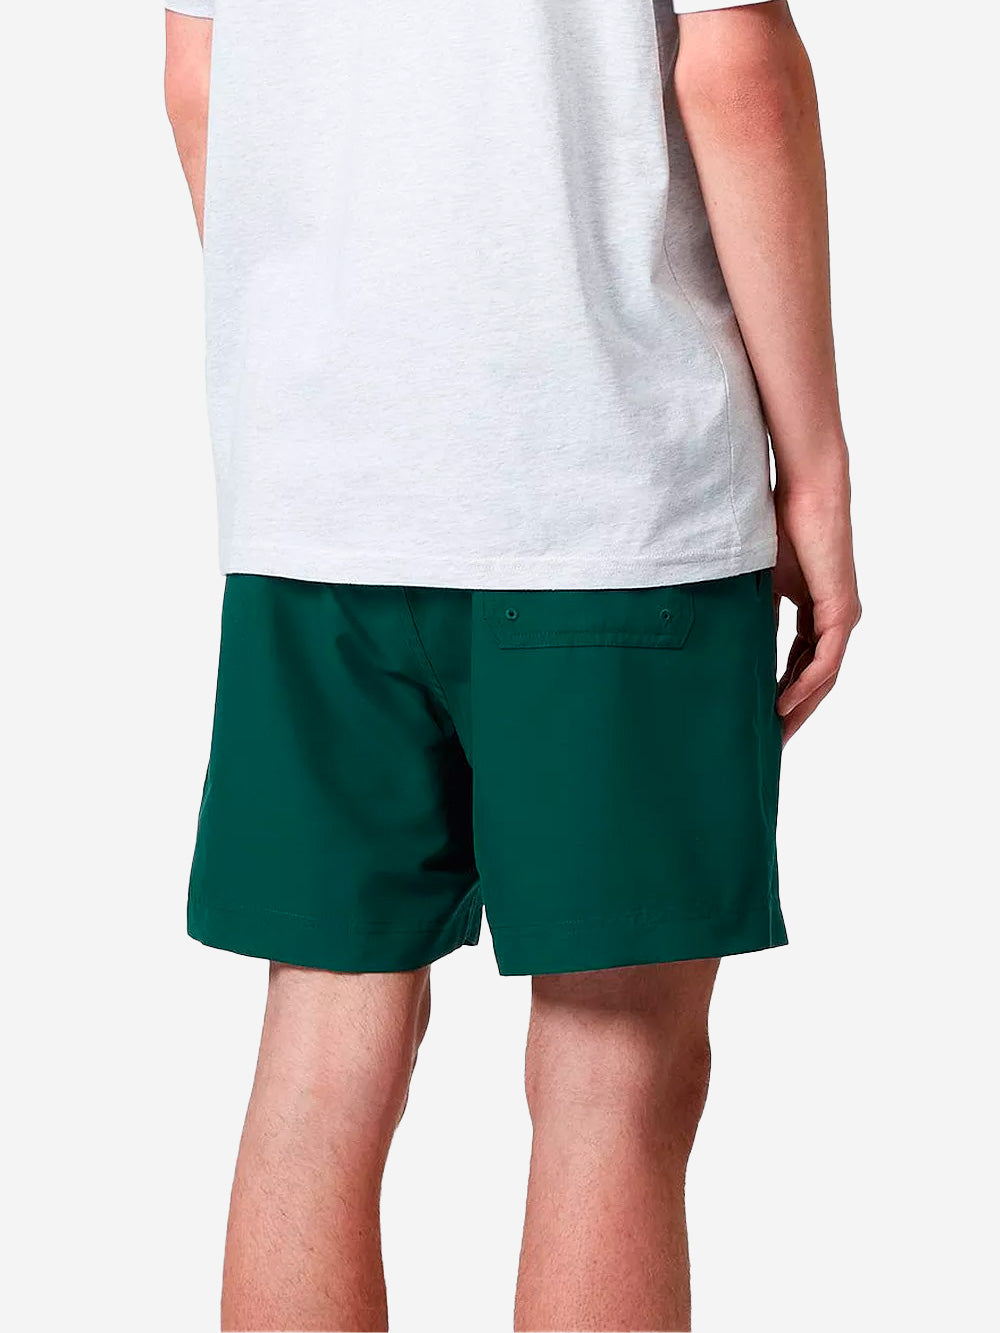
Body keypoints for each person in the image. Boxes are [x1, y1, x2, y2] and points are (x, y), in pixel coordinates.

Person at [164, 0, 860, 1327]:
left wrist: (335, 368)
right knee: (614, 1072)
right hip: (607, 489)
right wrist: (814, 471)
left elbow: (198, 76)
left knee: (319, 1061)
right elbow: (739, 75)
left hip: (319, 508)